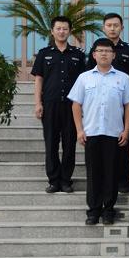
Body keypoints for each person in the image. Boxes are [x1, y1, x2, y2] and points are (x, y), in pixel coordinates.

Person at [68, 38, 129, 225]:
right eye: (100, 51)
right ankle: (93, 210)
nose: (104, 54)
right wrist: (79, 130)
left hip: (114, 133)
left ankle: (108, 210)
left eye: (108, 51)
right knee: (93, 173)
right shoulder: (84, 78)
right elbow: (76, 105)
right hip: (91, 133)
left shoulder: (123, 78)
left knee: (111, 173)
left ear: (114, 55)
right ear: (94, 54)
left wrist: (126, 130)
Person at [85, 12, 129, 194]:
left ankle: (122, 179)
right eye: (109, 25)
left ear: (121, 28)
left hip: (122, 101)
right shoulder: (96, 48)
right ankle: (102, 182)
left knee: (122, 143)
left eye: (116, 25)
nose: (112, 28)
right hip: (100, 104)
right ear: (104, 28)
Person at [31, 16, 86, 194]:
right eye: (58, 28)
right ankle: (54, 180)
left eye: (65, 29)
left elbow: (84, 82)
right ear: (52, 31)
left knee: (69, 144)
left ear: (70, 31)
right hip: (50, 104)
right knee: (51, 143)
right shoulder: (44, 53)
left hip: (72, 106)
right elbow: (39, 79)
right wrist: (38, 103)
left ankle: (66, 180)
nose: (62, 32)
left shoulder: (78, 54)